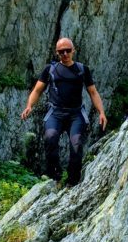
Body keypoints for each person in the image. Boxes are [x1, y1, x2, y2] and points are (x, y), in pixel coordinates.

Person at [20, 37, 107, 185]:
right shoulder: (50, 70)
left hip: (76, 114)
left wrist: (102, 112)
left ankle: (73, 181)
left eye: (68, 50)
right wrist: (29, 106)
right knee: (50, 137)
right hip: (55, 113)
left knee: (77, 143)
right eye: (61, 52)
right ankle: (55, 176)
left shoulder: (82, 69)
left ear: (73, 50)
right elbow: (37, 90)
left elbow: (93, 92)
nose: (65, 54)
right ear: (57, 53)